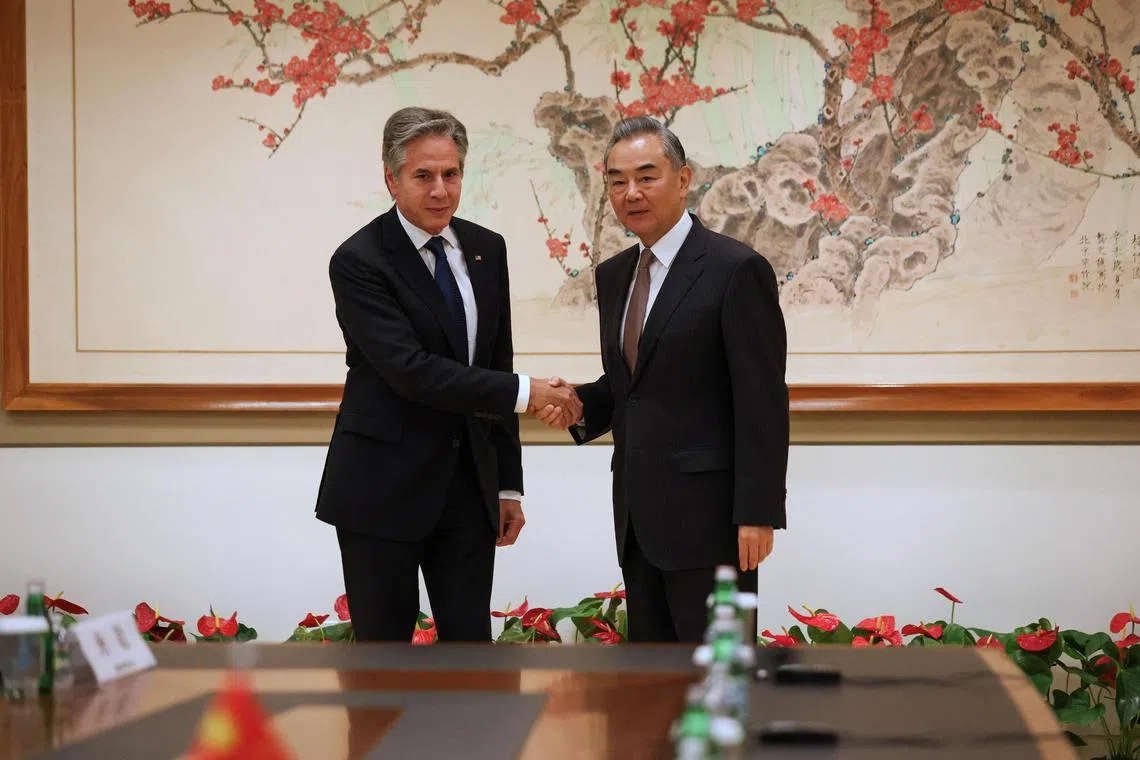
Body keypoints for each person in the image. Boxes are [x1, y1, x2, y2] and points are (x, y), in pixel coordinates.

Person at [316, 106, 582, 643]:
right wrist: (530, 394)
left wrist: (507, 484)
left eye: (451, 174)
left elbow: (494, 362)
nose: (441, 190)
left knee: (471, 658)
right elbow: (412, 372)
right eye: (423, 176)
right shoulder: (359, 261)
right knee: (383, 663)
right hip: (380, 490)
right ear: (391, 178)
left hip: (468, 490)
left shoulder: (487, 248)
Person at [537, 116, 790, 643]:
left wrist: (758, 513)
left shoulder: (735, 270)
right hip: (637, 520)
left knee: (717, 685)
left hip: (714, 526)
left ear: (683, 179)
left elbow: (762, 400)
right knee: (649, 692)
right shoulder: (614, 276)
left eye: (647, 176)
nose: (631, 193)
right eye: (617, 181)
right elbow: (632, 385)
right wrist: (581, 404)